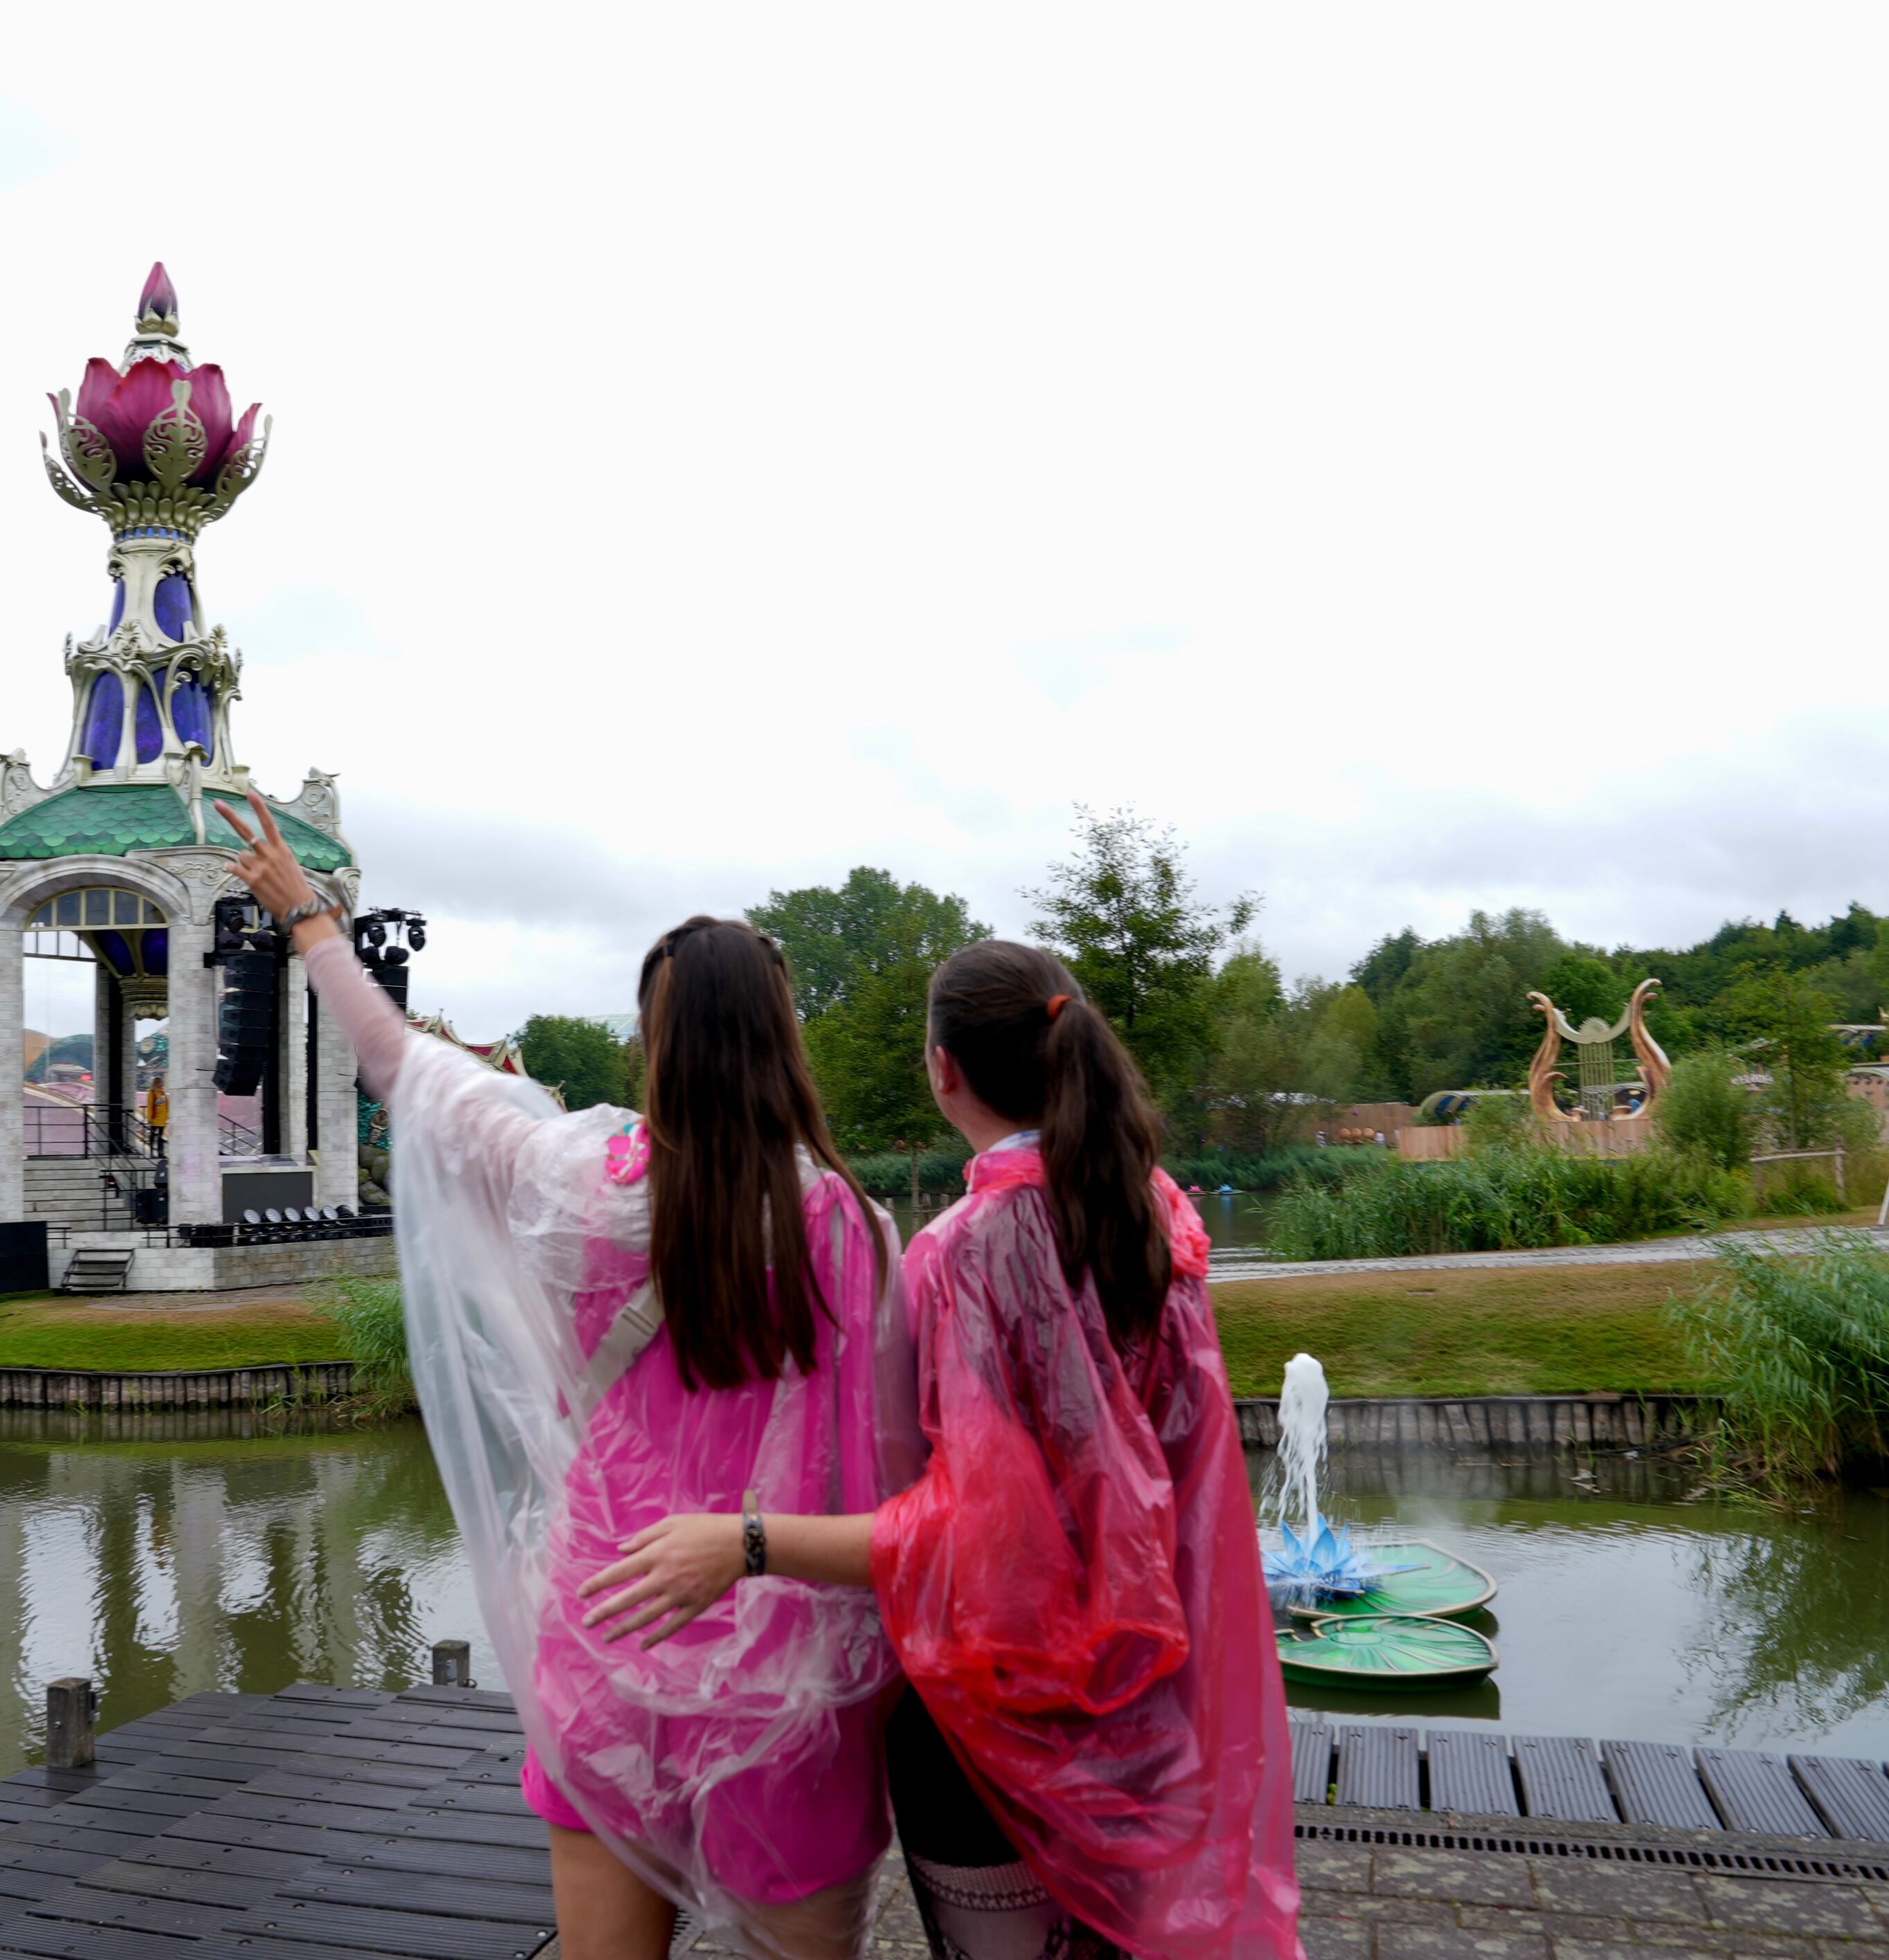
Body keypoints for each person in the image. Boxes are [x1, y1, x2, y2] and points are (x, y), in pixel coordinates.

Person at [214, 790, 915, 1960]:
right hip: (794, 1658)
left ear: (652, 1043)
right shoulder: (851, 1228)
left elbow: (399, 1066)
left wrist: (311, 922)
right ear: (785, 1041)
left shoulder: (575, 1188)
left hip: (611, 1628)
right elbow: (899, 1466)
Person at [583, 940, 1301, 1960]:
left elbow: (979, 1535)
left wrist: (745, 1543)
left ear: (942, 1068)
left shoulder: (962, 1251)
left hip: (997, 1718)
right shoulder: (1152, 1210)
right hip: (1151, 1693)